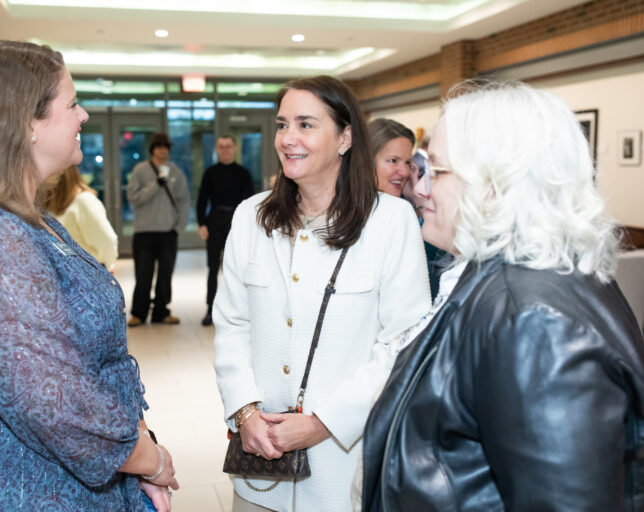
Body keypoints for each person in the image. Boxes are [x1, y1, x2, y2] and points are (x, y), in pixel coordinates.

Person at [362, 80, 644, 511]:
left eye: (438, 171)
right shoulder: (522, 279)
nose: (421, 187)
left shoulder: (534, 319)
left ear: (493, 186)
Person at [0, 40, 179, 512]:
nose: (83, 116)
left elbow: (88, 364)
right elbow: (54, 400)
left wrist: (137, 447)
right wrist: (149, 460)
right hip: (9, 486)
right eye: (72, 104)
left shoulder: (28, 220)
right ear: (25, 124)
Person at [213, 75, 431, 512]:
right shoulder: (251, 217)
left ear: (345, 138)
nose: (288, 138)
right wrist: (245, 411)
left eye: (306, 125)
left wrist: (323, 423)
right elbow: (232, 323)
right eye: (282, 125)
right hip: (261, 468)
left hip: (344, 471)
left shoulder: (390, 221)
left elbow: (403, 342)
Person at [369, 118, 445, 299]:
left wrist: (417, 200)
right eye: (393, 160)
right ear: (365, 160)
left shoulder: (406, 212)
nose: (404, 172)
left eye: (407, 163)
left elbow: (438, 265)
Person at [126, 132, 189, 326]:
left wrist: (178, 227)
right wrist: (155, 185)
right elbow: (133, 197)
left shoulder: (176, 172)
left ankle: (162, 311)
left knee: (165, 275)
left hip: (168, 232)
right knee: (143, 275)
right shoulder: (140, 170)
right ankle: (139, 313)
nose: (162, 150)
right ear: (153, 149)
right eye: (159, 146)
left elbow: (183, 201)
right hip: (144, 231)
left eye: (165, 147)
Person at [196, 135, 254, 326]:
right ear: (217, 149)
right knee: (213, 268)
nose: (225, 150)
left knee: (238, 268)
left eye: (228, 146)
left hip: (236, 223)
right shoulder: (210, 173)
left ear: (234, 148)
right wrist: (202, 224)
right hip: (215, 222)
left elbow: (251, 202)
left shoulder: (243, 173)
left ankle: (239, 310)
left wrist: (249, 227)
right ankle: (210, 309)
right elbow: (202, 200)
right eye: (221, 147)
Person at [44, 164, 119, 272]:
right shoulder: (51, 205)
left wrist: (109, 265)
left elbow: (107, 240)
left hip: (90, 269)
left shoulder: (84, 200)